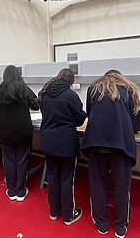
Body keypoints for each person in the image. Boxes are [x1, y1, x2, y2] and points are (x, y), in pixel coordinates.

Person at [81, 70, 140, 238]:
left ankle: (101, 223)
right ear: (120, 77)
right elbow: (137, 123)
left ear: (105, 77)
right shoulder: (128, 89)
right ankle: (120, 226)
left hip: (95, 142)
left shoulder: (93, 89)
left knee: (97, 183)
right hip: (120, 145)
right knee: (122, 186)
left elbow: (90, 113)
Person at [39, 68, 87, 226]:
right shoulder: (70, 95)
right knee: (67, 179)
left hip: (47, 141)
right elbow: (80, 119)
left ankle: (54, 212)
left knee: (52, 177)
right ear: (70, 82)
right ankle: (68, 215)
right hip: (66, 143)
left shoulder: (44, 93)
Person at [0, 65, 39, 202]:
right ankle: (21, 191)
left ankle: (11, 191)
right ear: (18, 75)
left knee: (9, 161)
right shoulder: (24, 88)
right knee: (22, 160)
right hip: (24, 131)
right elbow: (36, 105)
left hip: (6, 132)